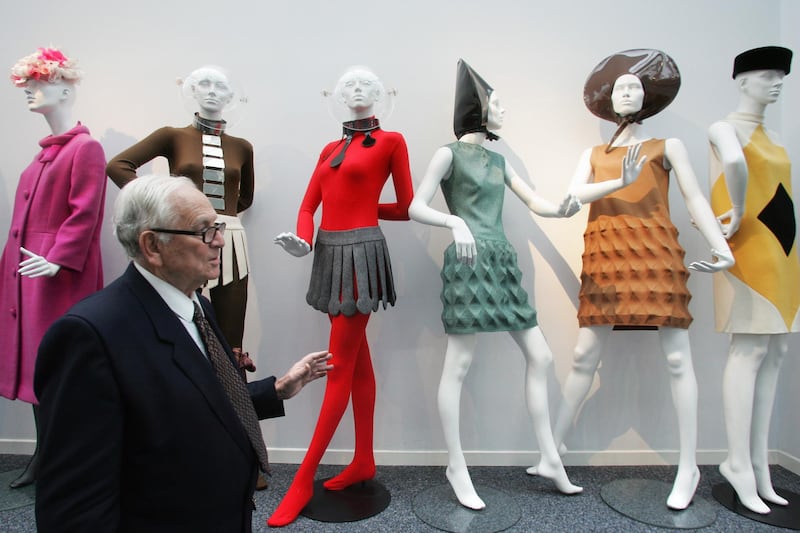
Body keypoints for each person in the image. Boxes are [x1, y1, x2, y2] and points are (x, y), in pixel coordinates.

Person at [33, 175, 333, 533]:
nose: (220, 240)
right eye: (204, 230)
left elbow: (198, 403)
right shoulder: (88, 337)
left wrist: (277, 389)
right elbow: (75, 508)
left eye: (218, 227)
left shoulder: (198, 307)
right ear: (152, 246)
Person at [541, 49, 734, 510]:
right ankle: (553, 452)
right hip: (605, 253)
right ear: (610, 98)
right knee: (586, 353)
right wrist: (612, 183)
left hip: (655, 249)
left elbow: (695, 199)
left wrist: (720, 246)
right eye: (620, 87)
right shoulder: (592, 153)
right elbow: (571, 197)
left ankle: (688, 466)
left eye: (635, 86)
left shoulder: (667, 147)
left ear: (648, 96)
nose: (627, 91)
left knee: (676, 358)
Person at [408, 59, 587, 510]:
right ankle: (456, 465)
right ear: (478, 107)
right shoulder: (447, 153)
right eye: (498, 104)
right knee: (460, 364)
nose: (504, 112)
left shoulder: (499, 160)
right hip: (468, 261)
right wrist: (455, 223)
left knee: (541, 355)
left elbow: (534, 202)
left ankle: (549, 456)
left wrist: (563, 209)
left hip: (502, 261)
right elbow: (415, 206)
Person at [270, 66, 413, 527]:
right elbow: (308, 203)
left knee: (337, 367)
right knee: (358, 361)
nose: (356, 91)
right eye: (349, 85)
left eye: (366, 85)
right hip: (328, 254)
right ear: (336, 95)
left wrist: (365, 210)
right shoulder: (330, 148)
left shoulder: (391, 141)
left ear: (380, 95)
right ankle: (363, 461)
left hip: (361, 255)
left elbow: (406, 207)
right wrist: (303, 238)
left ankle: (304, 477)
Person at [0, 47, 106, 488]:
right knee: (32, 366)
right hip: (27, 275)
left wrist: (59, 259)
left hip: (56, 276)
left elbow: (85, 214)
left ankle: (60, 461)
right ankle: (45, 457)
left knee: (55, 366)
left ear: (63, 89)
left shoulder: (85, 148)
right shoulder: (41, 155)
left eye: (37, 84)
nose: (28, 91)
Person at [106, 65, 255, 368]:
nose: (212, 91)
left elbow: (245, 198)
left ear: (230, 96)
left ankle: (233, 404)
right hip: (183, 236)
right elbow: (118, 165)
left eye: (219, 85)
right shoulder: (172, 136)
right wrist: (162, 204)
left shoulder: (242, 147)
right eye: (204, 84)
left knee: (231, 337)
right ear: (191, 90)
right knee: (177, 320)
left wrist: (218, 220)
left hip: (230, 240)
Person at [708, 45, 796, 515]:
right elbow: (735, 167)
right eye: (767, 75)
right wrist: (737, 212)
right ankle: (737, 462)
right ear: (742, 81)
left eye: (781, 75)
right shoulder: (723, 128)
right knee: (750, 348)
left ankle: (759, 464)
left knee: (777, 349)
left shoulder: (776, 136)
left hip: (786, 252)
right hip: (746, 248)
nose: (777, 82)